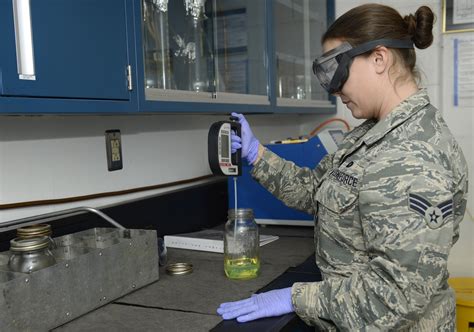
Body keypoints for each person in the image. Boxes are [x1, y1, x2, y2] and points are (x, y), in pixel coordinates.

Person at [216, 3, 468, 331]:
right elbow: (314, 190)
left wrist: (296, 298)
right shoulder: (371, 134)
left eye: (337, 68)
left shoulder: (412, 156)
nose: (334, 88)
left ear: (379, 59)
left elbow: (395, 298)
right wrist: (257, 154)